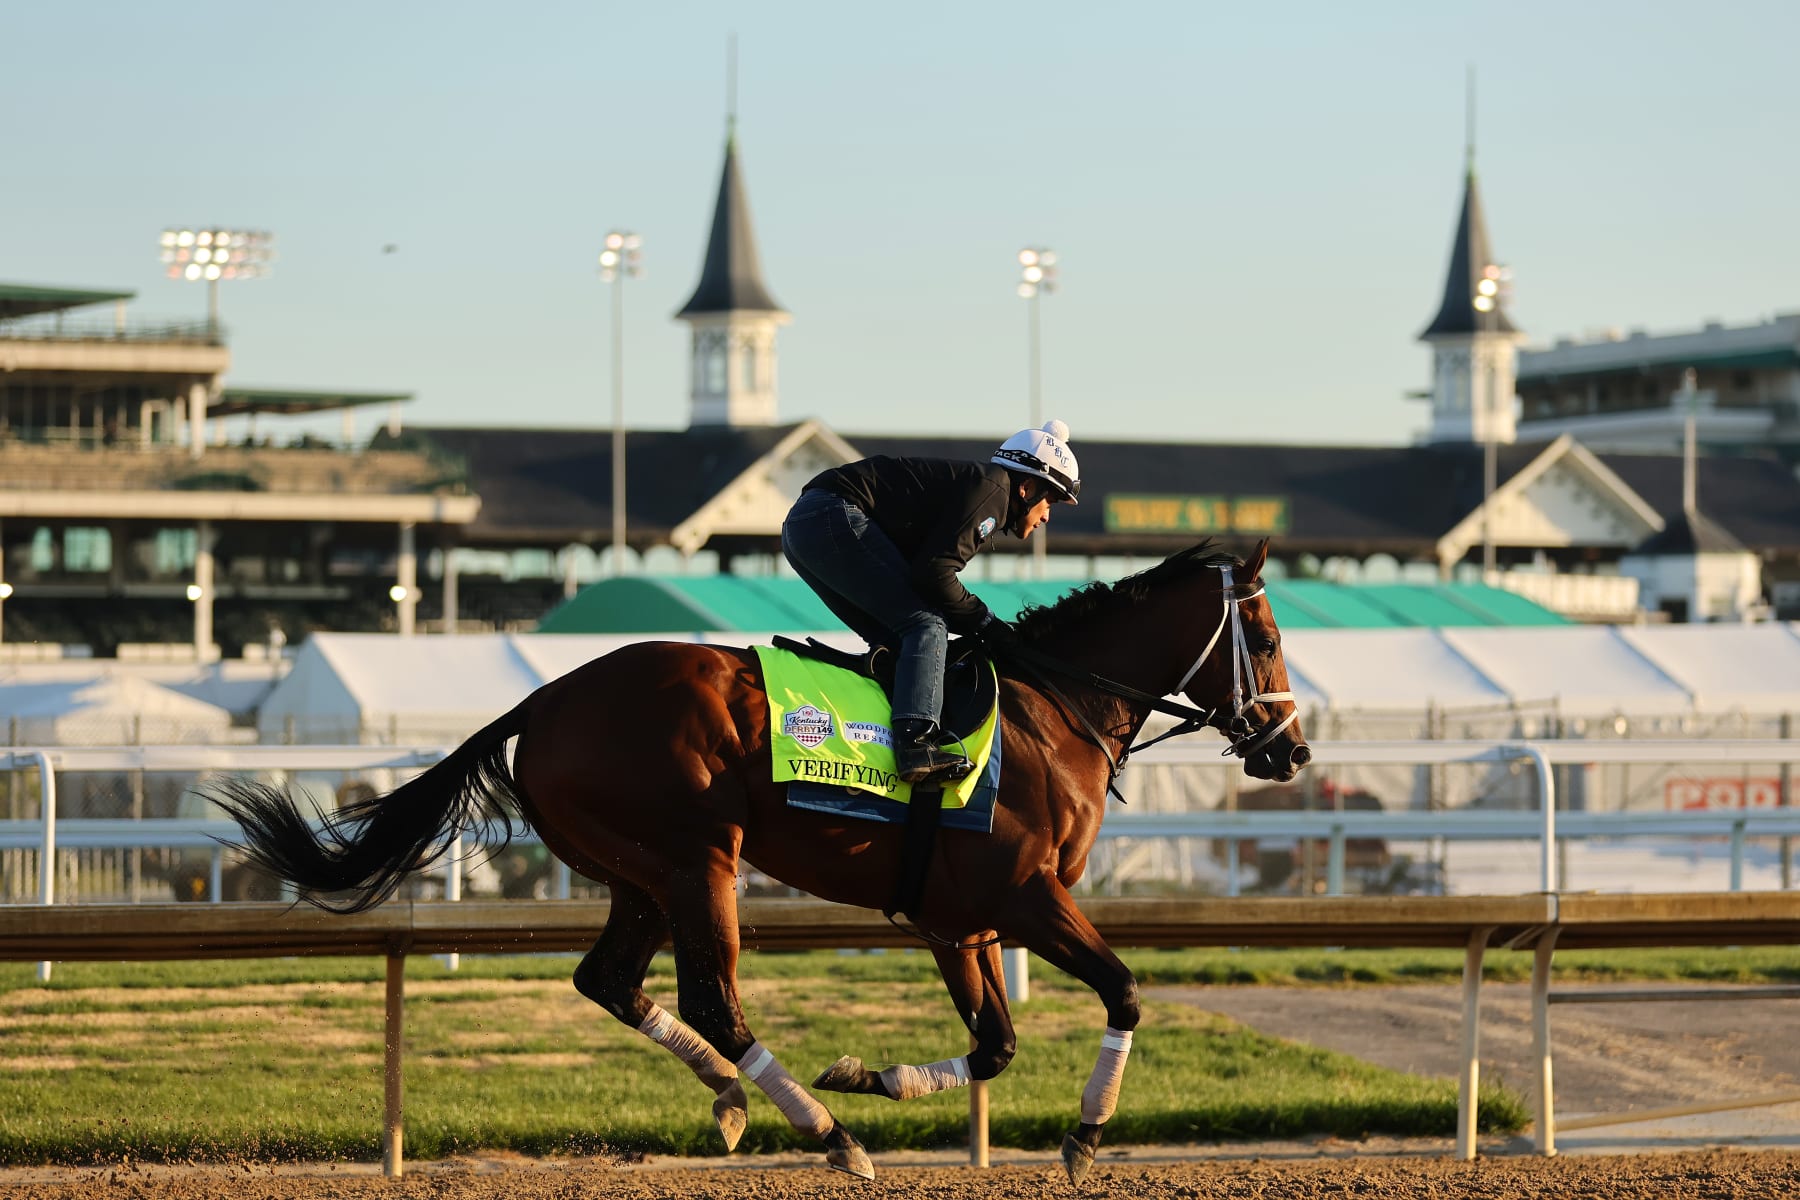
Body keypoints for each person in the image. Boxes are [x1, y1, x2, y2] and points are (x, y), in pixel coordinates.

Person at [780, 420, 1082, 786]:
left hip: (808, 524)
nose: (1048, 515)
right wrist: (987, 622)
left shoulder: (985, 489)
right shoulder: (995, 492)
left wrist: (979, 623)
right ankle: (915, 746)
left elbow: (928, 576)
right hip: (830, 516)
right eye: (1050, 500)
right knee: (926, 625)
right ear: (1027, 487)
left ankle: (871, 743)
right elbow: (934, 575)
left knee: (902, 641)